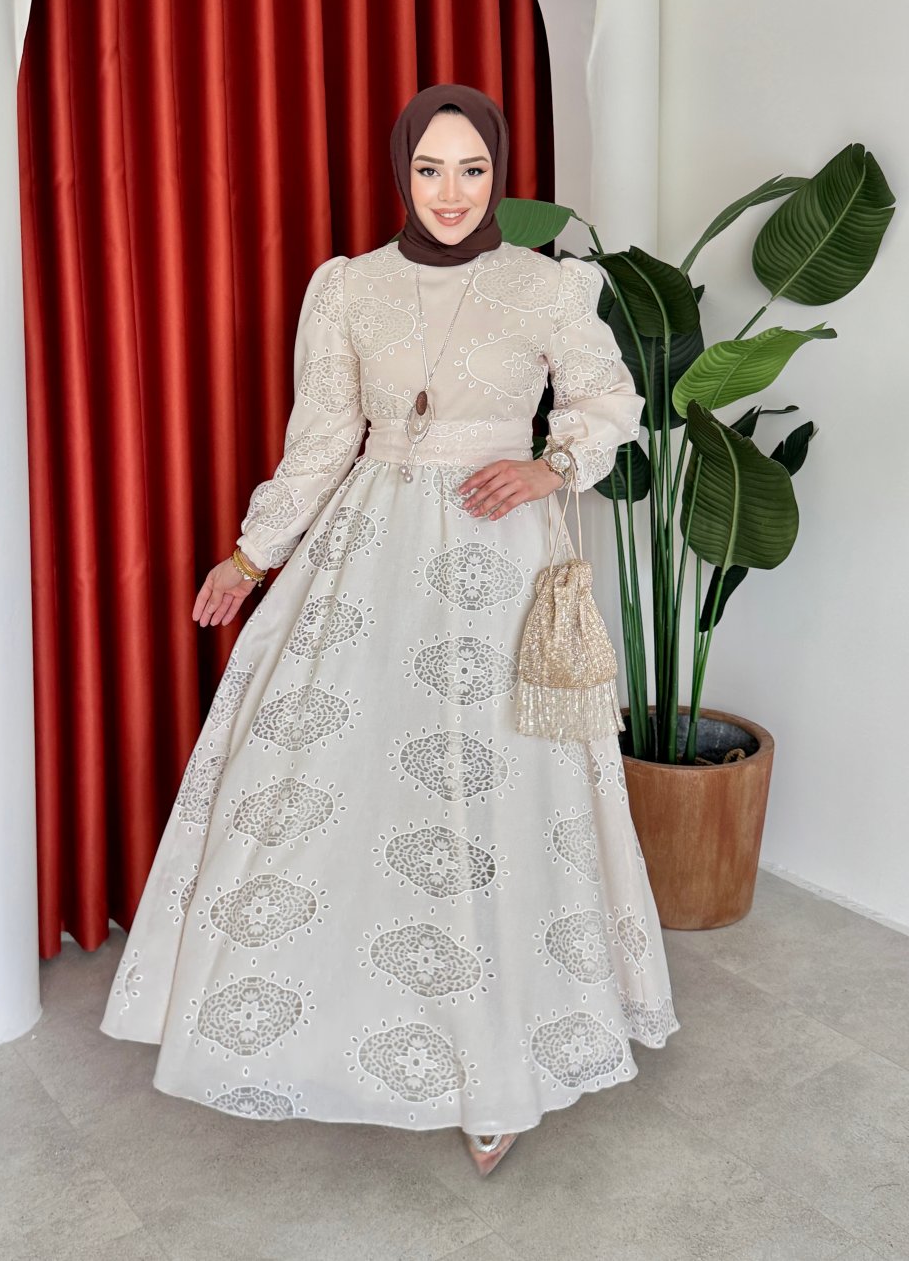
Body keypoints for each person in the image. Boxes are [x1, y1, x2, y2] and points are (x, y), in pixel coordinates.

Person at [100, 83, 680, 1177]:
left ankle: (495, 1061)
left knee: (499, 789)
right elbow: (321, 438)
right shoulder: (349, 287)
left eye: (472, 169)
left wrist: (549, 464)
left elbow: (607, 403)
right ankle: (337, 1027)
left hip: (501, 555)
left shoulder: (551, 285)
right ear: (401, 171)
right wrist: (251, 553)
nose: (451, 192)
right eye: (429, 169)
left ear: (497, 171)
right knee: (351, 782)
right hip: (370, 549)